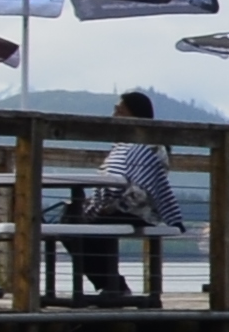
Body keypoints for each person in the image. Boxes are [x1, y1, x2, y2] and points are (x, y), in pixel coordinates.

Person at [58, 89, 187, 304]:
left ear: (134, 114)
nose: (114, 115)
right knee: (70, 223)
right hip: (114, 206)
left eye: (119, 111)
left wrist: (115, 203)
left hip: (137, 211)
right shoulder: (123, 144)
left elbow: (146, 186)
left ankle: (112, 285)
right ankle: (111, 284)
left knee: (82, 227)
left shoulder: (151, 146)